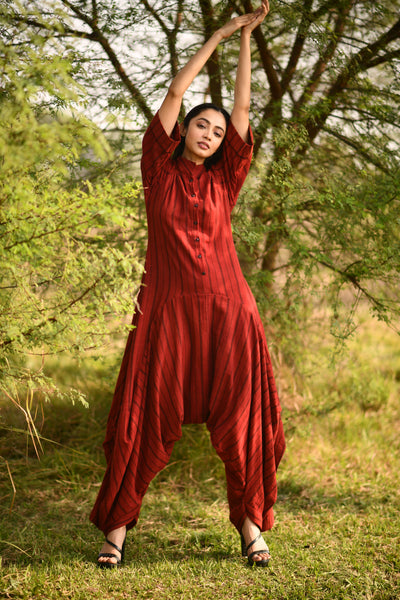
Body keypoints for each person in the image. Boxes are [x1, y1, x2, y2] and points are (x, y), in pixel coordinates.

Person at [91, 0, 285, 569]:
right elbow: (176, 92)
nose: (210, 134)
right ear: (184, 130)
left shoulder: (227, 178)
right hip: (166, 312)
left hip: (230, 312)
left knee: (241, 421)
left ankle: (252, 530)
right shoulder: (158, 169)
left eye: (219, 131)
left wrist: (248, 39)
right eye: (202, 124)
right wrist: (220, 35)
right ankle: (116, 534)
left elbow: (243, 106)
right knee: (145, 418)